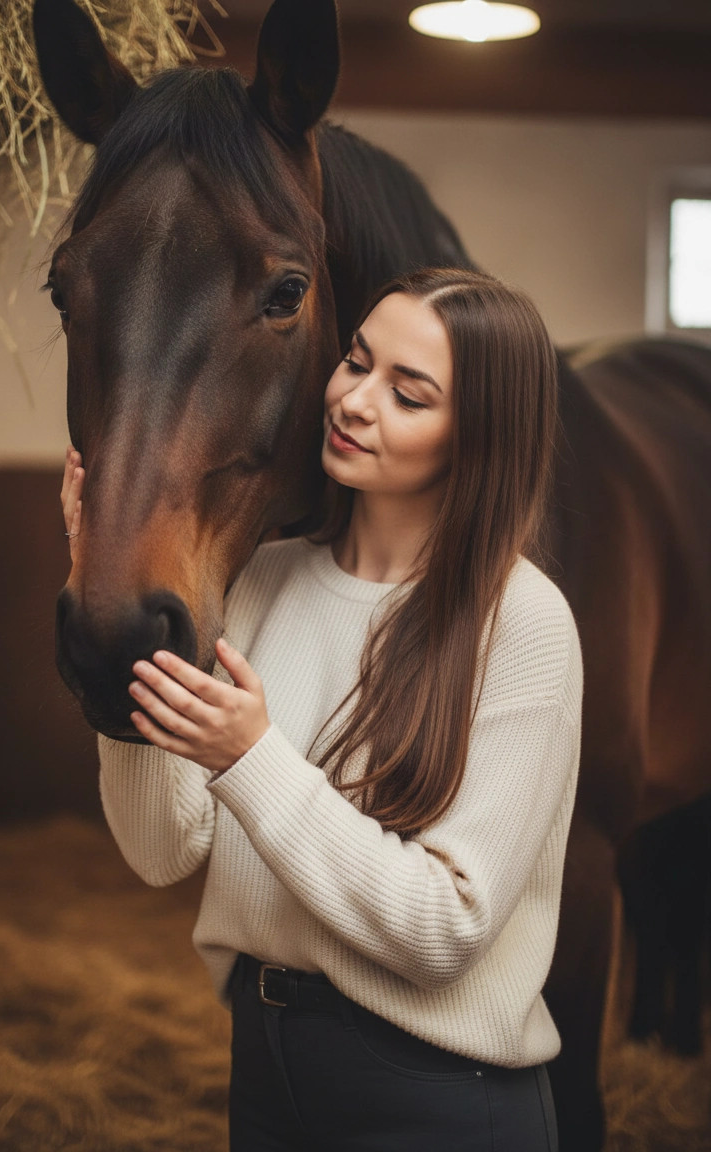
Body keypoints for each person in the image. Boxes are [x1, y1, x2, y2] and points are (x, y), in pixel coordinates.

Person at [61, 266, 581, 1151]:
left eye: (408, 395)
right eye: (357, 361)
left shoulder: (523, 622)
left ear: (479, 437)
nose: (354, 401)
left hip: (439, 1096)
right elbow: (160, 850)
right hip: (264, 1065)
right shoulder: (259, 580)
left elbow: (445, 929)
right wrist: (107, 577)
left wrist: (252, 759)